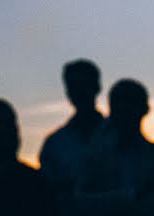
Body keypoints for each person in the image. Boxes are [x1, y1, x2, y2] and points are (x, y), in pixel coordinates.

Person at [73, 79, 154, 215]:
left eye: (130, 103)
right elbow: (81, 202)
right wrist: (132, 195)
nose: (124, 109)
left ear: (145, 109)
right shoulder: (93, 156)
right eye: (118, 103)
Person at [39, 58, 106, 202]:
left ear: (97, 87)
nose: (80, 91)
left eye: (84, 85)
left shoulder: (119, 135)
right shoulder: (54, 144)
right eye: (74, 86)